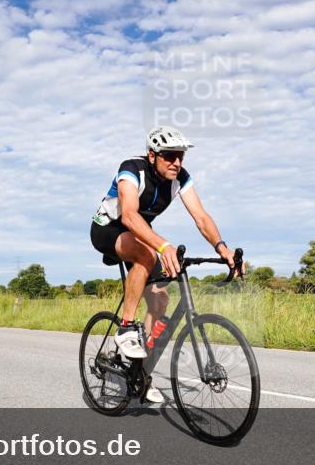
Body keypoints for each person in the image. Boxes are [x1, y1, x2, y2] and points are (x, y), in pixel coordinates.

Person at [90, 126, 242, 404]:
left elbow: (201, 217)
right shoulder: (132, 170)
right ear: (152, 155)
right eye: (170, 156)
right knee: (147, 256)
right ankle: (126, 327)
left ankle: (138, 372)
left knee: (160, 301)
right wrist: (162, 246)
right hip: (108, 229)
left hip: (139, 233)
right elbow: (129, 215)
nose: (177, 162)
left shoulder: (180, 178)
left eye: (180, 156)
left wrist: (222, 248)